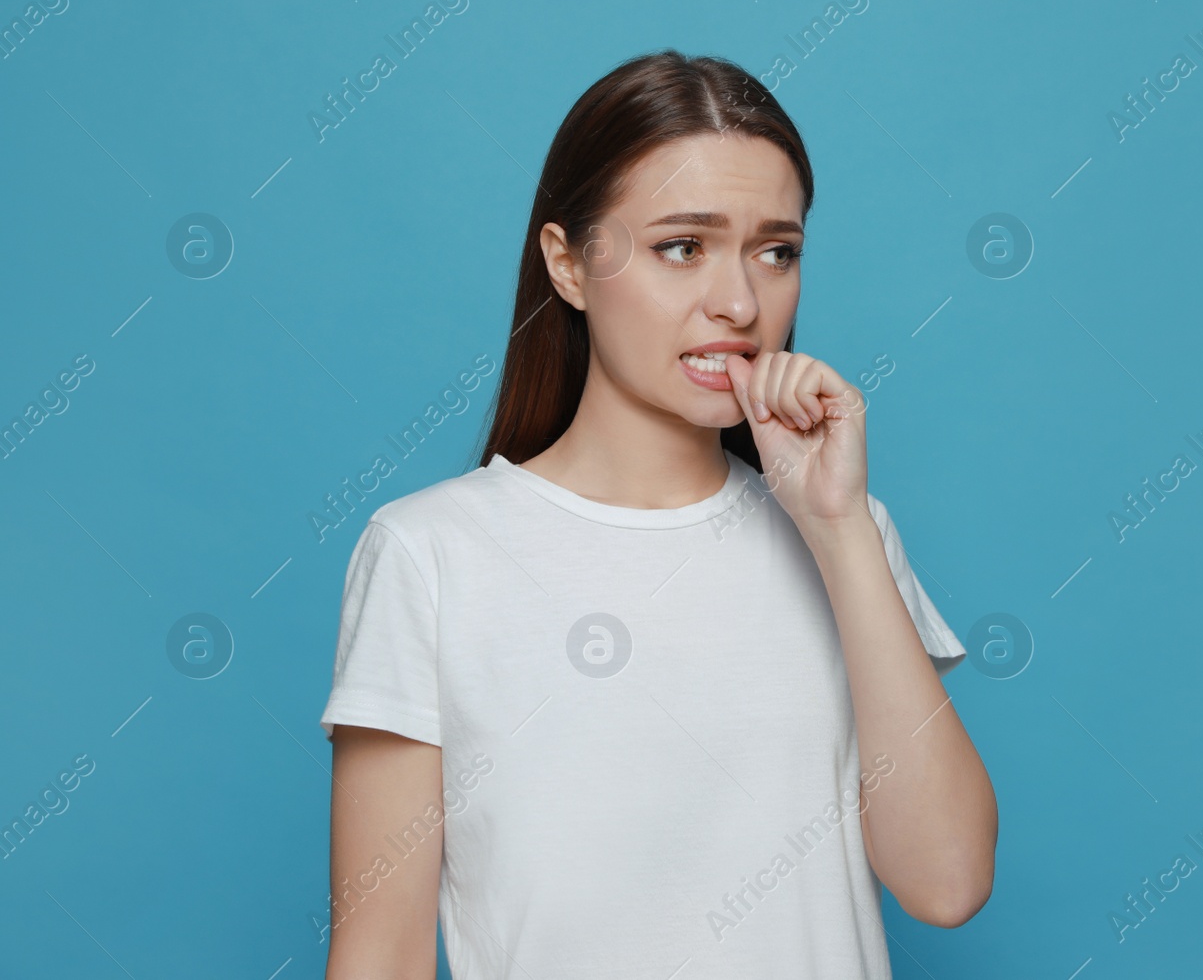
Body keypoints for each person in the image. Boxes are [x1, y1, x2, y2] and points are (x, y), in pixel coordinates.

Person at [319, 49, 997, 979]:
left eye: (776, 250)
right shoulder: (431, 554)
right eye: (684, 246)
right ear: (567, 262)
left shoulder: (848, 533)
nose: (739, 301)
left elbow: (948, 882)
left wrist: (838, 530)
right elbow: (379, 956)